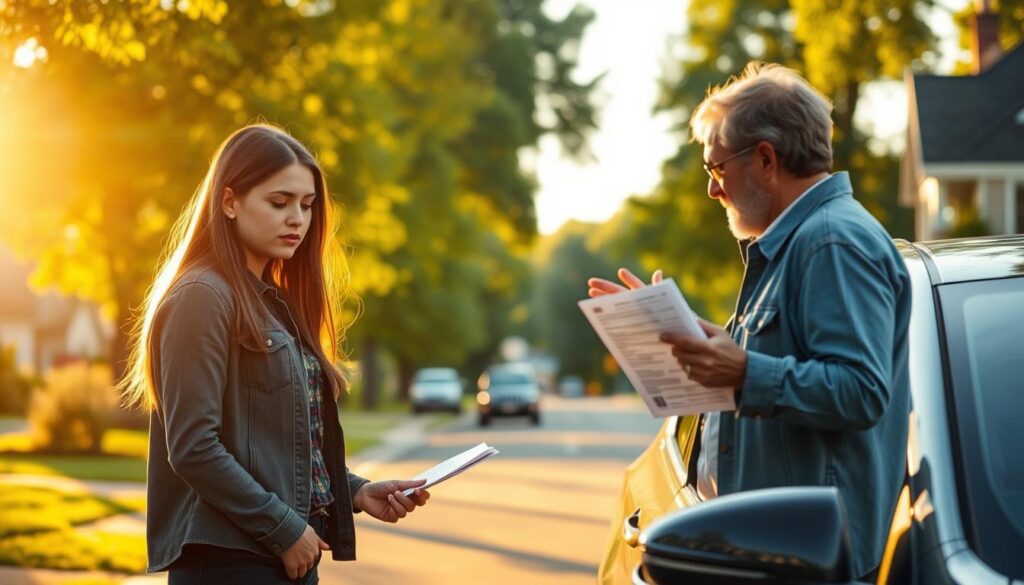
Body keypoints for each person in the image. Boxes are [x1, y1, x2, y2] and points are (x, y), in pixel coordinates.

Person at [588, 63, 910, 581]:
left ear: (765, 159)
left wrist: (742, 372)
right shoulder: (795, 244)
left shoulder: (831, 243)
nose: (713, 190)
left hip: (811, 567)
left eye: (716, 168)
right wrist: (698, 342)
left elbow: (860, 391)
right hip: (780, 560)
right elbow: (782, 366)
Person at [120, 124, 430, 584]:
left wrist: (357, 492)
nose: (297, 220)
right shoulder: (202, 297)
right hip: (230, 561)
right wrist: (283, 529)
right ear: (229, 202)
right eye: (279, 202)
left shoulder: (271, 303)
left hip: (281, 555)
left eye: (306, 206)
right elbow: (193, 448)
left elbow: (277, 444)